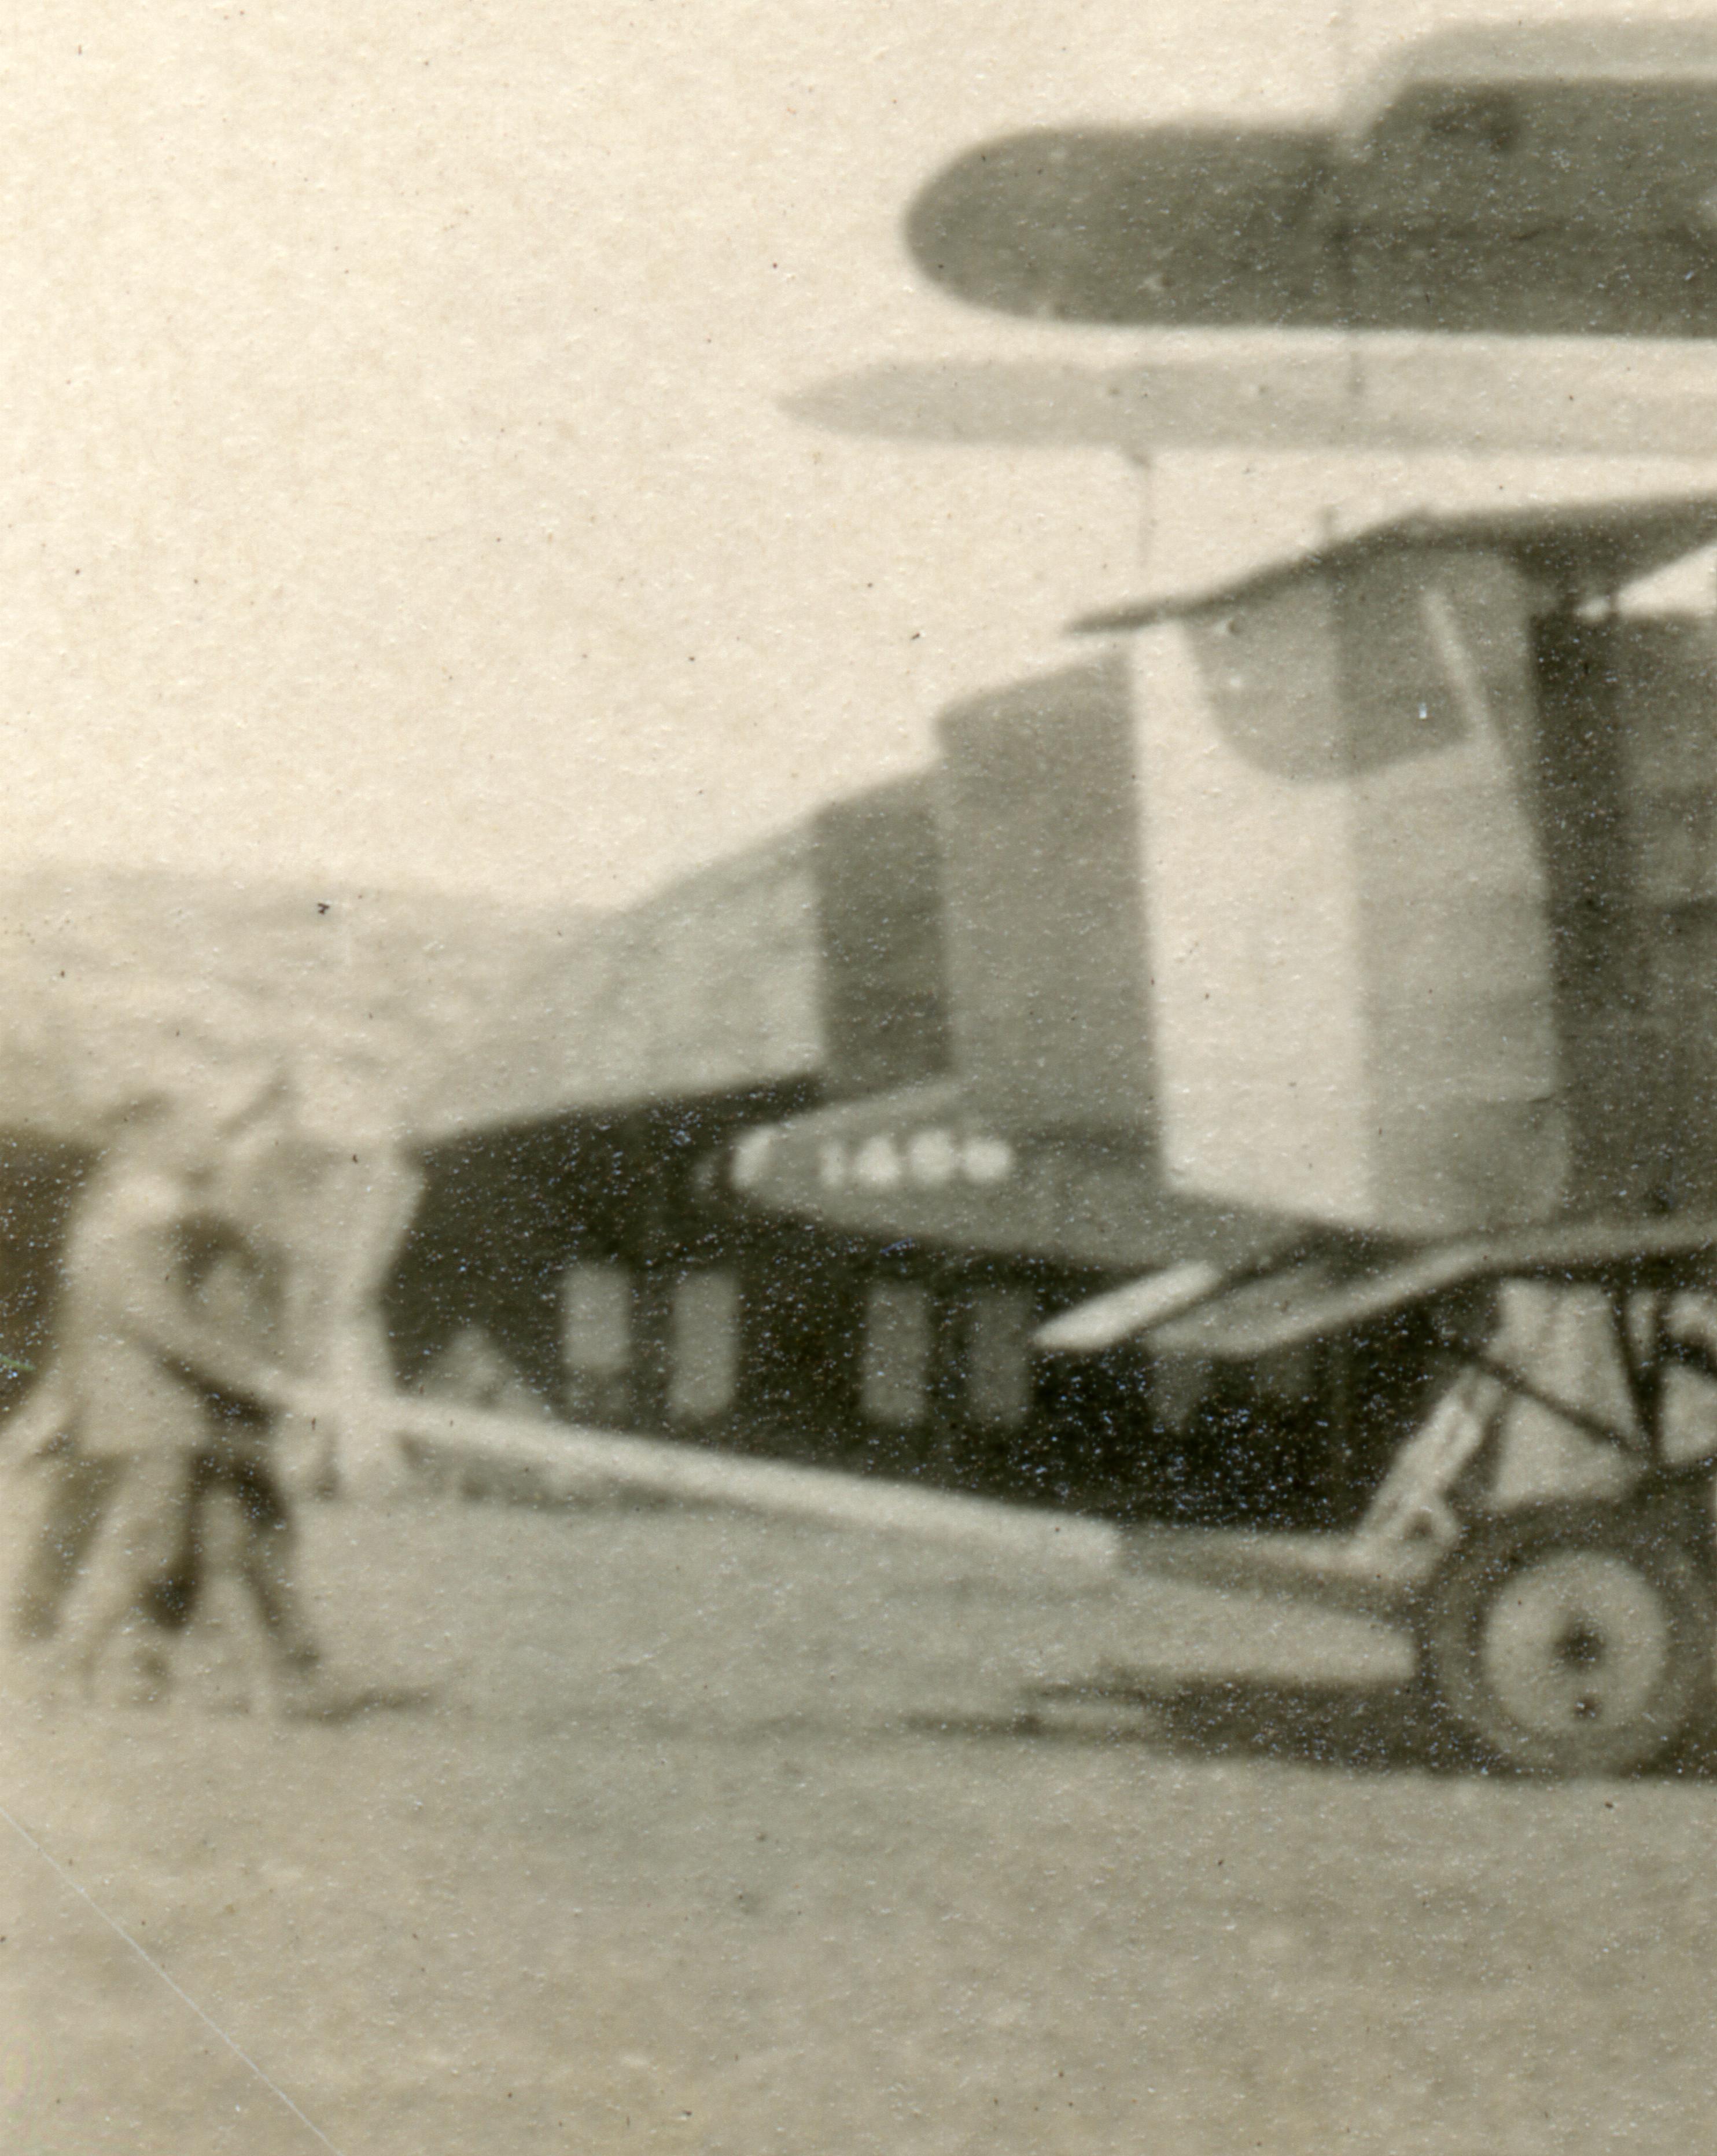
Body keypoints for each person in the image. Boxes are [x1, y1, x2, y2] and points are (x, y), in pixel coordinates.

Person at [27, 1094, 337, 1710]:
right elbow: (166, 1325)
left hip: (177, 1414)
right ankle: (68, 1665)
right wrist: (260, 1377)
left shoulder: (146, 1226)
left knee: (222, 1545)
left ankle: (267, 1693)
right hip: (147, 1416)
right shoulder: (123, 1234)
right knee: (156, 1547)